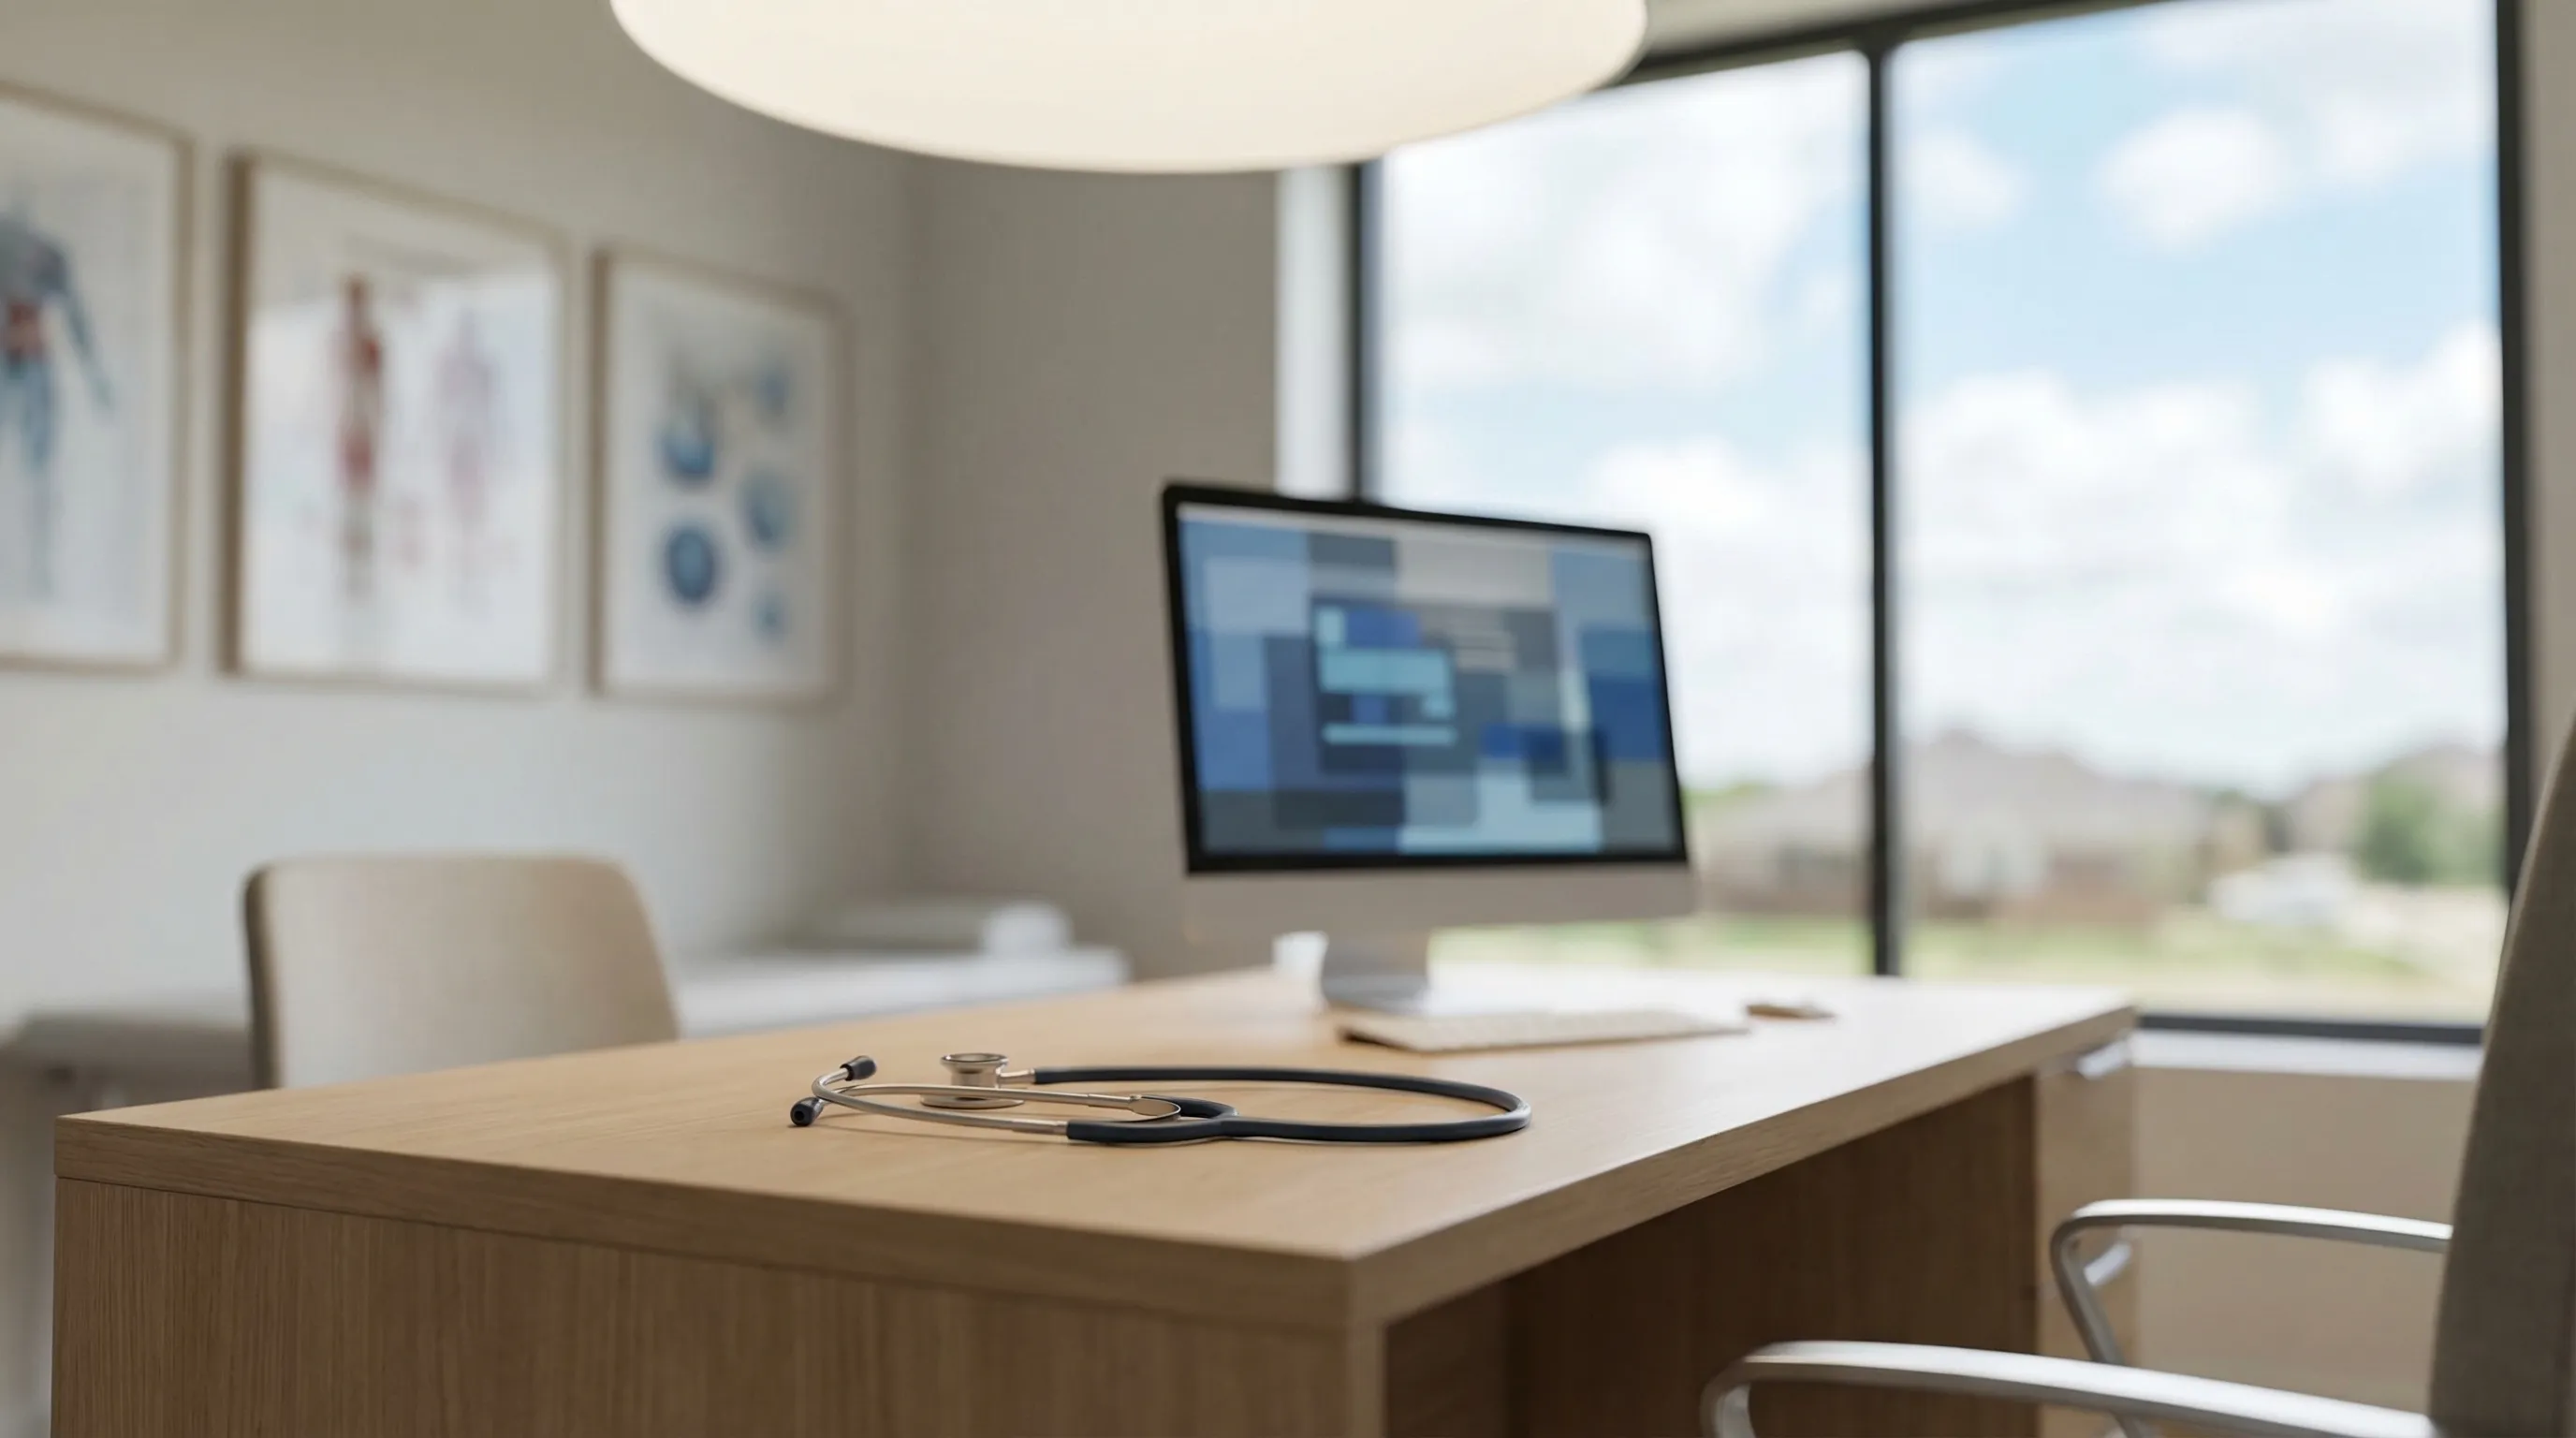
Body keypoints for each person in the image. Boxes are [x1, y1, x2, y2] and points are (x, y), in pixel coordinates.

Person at [0, 207, 112, 597]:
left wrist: (97, 379)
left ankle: (38, 569)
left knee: (39, 470)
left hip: (33, 368)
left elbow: (77, 319)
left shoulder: (50, 257)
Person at [334, 274, 386, 603]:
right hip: (346, 427)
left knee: (362, 499)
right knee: (347, 498)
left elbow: (378, 390)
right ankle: (348, 567)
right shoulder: (338, 342)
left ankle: (363, 566)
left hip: (363, 427)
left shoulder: (371, 344)